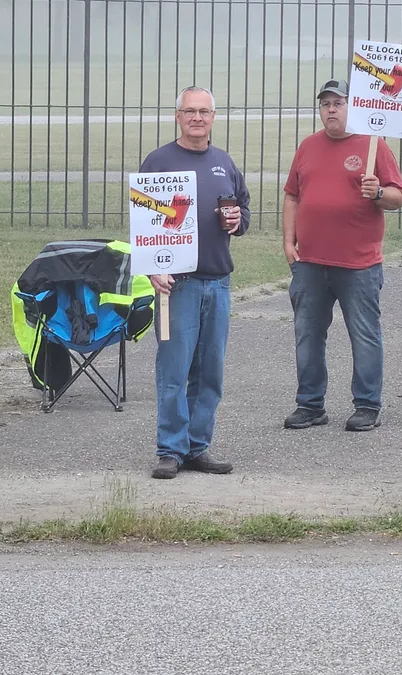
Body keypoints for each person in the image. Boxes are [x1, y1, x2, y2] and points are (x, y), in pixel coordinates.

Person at [280, 79, 402, 432]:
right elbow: (292, 195)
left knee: (364, 334)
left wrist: (378, 191)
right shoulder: (308, 147)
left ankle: (367, 404)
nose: (331, 110)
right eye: (325, 104)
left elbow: (397, 196)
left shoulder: (373, 145)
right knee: (307, 333)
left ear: (354, 107)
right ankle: (310, 404)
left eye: (338, 103)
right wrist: (289, 242)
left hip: (358, 264)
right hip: (309, 263)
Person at [140, 86, 251, 479]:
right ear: (177, 116)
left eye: (204, 111)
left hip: (217, 282)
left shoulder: (224, 162)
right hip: (178, 286)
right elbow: (144, 227)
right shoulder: (159, 162)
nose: (197, 118)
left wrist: (238, 221)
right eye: (190, 111)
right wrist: (154, 268)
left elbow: (243, 211)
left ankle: (197, 447)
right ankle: (170, 449)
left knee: (209, 373)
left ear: (214, 118)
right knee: (174, 370)